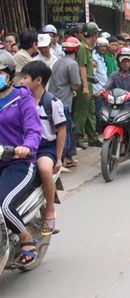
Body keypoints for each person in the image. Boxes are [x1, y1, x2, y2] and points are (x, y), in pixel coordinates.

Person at [0, 52, 42, 267]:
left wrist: (27, 147)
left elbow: (34, 129)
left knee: (3, 205)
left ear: (8, 75)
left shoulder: (21, 99)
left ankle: (25, 237)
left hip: (17, 163)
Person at [21, 60, 66, 235]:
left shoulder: (52, 103)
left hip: (45, 148)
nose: (21, 81)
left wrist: (59, 157)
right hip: (23, 146)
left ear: (38, 80)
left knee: (45, 170)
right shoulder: (21, 101)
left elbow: (61, 130)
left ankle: (49, 211)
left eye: (25, 77)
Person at [48, 37, 82, 168]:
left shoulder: (58, 62)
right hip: (64, 102)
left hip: (54, 98)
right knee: (65, 130)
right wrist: (74, 89)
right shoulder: (72, 64)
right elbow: (76, 84)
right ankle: (60, 160)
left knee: (69, 128)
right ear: (77, 49)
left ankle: (69, 157)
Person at [73, 22, 101, 149]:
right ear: (94, 35)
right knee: (81, 112)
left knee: (91, 111)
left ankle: (93, 137)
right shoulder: (83, 48)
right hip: (84, 84)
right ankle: (78, 137)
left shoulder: (88, 48)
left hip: (89, 84)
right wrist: (84, 86)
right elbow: (81, 67)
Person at [92, 37, 110, 134]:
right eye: (101, 46)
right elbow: (93, 76)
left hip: (103, 90)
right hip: (97, 90)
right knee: (99, 113)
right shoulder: (94, 58)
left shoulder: (102, 58)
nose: (103, 48)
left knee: (103, 111)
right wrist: (95, 92)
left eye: (105, 46)